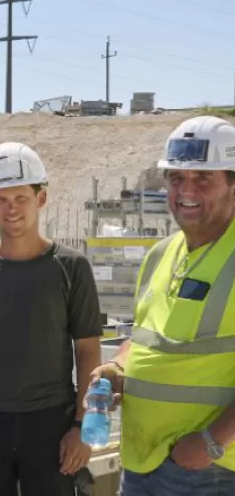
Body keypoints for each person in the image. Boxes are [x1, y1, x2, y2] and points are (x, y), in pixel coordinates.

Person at [0, 142, 102, 494]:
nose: (11, 210)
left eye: (21, 198)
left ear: (41, 199)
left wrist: (81, 427)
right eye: (0, 199)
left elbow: (87, 350)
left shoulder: (71, 268)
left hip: (50, 424)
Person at [90, 116, 235, 494]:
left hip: (211, 468)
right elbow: (143, 338)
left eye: (203, 179)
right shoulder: (160, 255)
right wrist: (115, 367)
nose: (186, 190)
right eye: (176, 178)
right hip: (141, 459)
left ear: (233, 184)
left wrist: (211, 442)